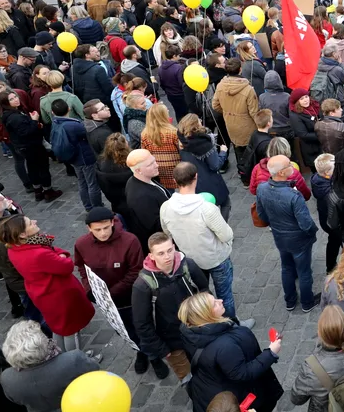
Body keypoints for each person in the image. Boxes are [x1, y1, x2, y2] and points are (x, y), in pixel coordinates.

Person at [73, 207, 156, 376]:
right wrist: (88, 287)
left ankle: (154, 356)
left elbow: (135, 271)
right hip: (109, 303)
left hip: (132, 297)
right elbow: (82, 266)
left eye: (106, 227)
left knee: (144, 327)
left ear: (112, 222)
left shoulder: (129, 241)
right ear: (89, 228)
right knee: (125, 330)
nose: (103, 233)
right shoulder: (82, 244)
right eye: (97, 230)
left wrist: (110, 292)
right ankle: (140, 352)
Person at [0, 214, 96, 350]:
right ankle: (76, 359)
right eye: (30, 223)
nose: (35, 221)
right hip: (60, 295)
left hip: (43, 294)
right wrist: (61, 256)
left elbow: (54, 254)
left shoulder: (14, 249)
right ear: (22, 234)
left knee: (59, 328)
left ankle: (60, 354)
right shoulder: (38, 254)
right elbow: (66, 266)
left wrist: (58, 256)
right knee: (71, 330)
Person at [159, 162, 241, 322]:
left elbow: (167, 234)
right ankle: (232, 324)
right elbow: (226, 235)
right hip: (216, 258)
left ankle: (207, 322)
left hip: (190, 260)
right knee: (225, 295)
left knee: (200, 297)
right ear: (196, 177)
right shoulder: (207, 208)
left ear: (175, 181)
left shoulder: (166, 207)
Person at [177, 291, 283, 412]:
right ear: (206, 315)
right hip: (240, 393)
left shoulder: (190, 330)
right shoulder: (225, 346)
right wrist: (271, 353)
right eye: (214, 304)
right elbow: (243, 373)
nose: (220, 301)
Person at [132, 232, 210, 382]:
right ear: (152, 256)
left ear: (174, 247)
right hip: (172, 342)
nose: (167, 256)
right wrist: (162, 349)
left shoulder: (188, 265)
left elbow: (204, 290)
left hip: (198, 330)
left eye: (169, 250)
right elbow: (142, 323)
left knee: (208, 367)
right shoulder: (143, 286)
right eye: (160, 253)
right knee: (188, 378)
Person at [256, 155, 320, 312]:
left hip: (280, 237)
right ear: (282, 173)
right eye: (289, 165)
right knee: (304, 272)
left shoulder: (262, 188)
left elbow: (262, 215)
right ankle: (307, 302)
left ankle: (290, 301)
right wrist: (313, 232)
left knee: (286, 267)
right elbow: (306, 223)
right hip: (299, 240)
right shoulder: (293, 195)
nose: (293, 166)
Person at [0, 320, 100, 412]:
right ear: (42, 344)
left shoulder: (7, 378)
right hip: (80, 405)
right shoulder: (73, 360)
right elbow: (96, 373)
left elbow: (15, 400)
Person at [211, 57, 261, 183]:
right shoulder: (248, 89)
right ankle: (255, 176)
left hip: (231, 124)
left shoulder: (220, 85)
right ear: (240, 69)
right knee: (252, 152)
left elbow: (215, 105)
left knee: (239, 151)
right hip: (247, 125)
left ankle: (244, 177)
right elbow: (254, 112)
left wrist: (228, 112)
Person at [123, 149, 171, 249]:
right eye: (150, 164)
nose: (157, 165)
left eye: (154, 161)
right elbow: (155, 226)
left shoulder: (141, 180)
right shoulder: (140, 197)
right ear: (138, 170)